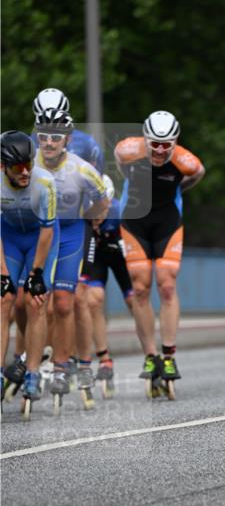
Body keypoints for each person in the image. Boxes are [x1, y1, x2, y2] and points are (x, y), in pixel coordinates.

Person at [115, 111, 205, 395]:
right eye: (155, 143)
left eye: (167, 144)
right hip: (135, 221)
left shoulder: (186, 160)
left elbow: (197, 175)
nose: (161, 150)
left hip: (167, 222)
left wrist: (176, 189)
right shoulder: (127, 150)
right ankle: (150, 355)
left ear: (175, 141)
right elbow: (120, 165)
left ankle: (168, 356)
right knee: (140, 288)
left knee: (166, 285)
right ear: (145, 139)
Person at [34, 109, 109, 406]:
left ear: (67, 139)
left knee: (65, 302)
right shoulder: (28, 164)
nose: (49, 142)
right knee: (34, 301)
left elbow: (103, 201)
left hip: (70, 236)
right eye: (43, 136)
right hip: (39, 234)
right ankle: (26, 361)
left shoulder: (81, 169)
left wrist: (90, 217)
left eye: (55, 136)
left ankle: (62, 367)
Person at [1, 130, 59, 412]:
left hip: (39, 238)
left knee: (35, 301)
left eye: (29, 164)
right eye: (17, 167)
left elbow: (48, 232)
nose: (25, 172)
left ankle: (33, 372)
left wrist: (36, 273)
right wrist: (2, 274)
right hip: (9, 238)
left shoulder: (45, 182)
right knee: (3, 301)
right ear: (2, 166)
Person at [78, 173, 134, 396]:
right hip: (98, 256)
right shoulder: (84, 216)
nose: (96, 216)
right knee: (93, 301)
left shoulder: (120, 213)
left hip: (121, 255)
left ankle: (152, 354)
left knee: (133, 299)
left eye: (100, 210)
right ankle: (104, 359)